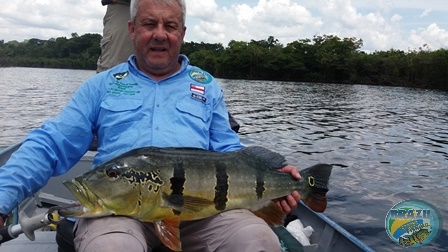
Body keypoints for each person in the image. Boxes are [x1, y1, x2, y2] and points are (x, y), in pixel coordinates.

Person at [0, 0, 300, 251]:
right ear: (132, 29)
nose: (160, 35)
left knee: (257, 240)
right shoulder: (100, 86)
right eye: (149, 24)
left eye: (170, 26)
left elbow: (228, 150)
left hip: (200, 212)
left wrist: (273, 175)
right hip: (117, 212)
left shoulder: (206, 85)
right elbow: (50, 144)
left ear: (181, 33)